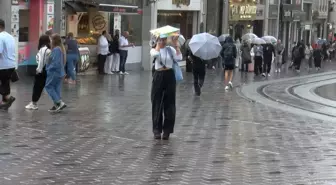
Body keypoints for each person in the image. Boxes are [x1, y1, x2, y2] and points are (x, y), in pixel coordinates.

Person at [150, 36, 182, 140]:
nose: (163, 41)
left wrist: (176, 45)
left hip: (169, 75)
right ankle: (157, 130)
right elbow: (155, 54)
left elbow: (179, 58)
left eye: (164, 40)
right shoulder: (154, 49)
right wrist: (157, 45)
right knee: (156, 102)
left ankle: (167, 130)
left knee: (169, 103)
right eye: (160, 40)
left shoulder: (170, 49)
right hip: (158, 75)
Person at [25, 35, 51, 110]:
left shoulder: (43, 49)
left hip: (42, 71)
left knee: (37, 87)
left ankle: (34, 103)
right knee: (43, 87)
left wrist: (38, 70)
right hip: (46, 70)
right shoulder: (48, 49)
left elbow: (41, 61)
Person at [45, 34, 67, 112]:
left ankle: (59, 102)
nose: (50, 42)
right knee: (56, 88)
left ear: (54, 41)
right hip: (58, 72)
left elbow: (55, 63)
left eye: (51, 40)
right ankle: (56, 105)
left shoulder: (56, 50)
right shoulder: (60, 49)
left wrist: (48, 68)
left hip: (54, 72)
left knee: (48, 86)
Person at [0, 19, 16, 110]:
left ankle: (8, 98)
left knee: (4, 83)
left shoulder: (0, 37)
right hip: (11, 64)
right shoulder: (10, 36)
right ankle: (4, 103)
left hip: (3, 65)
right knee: (5, 83)